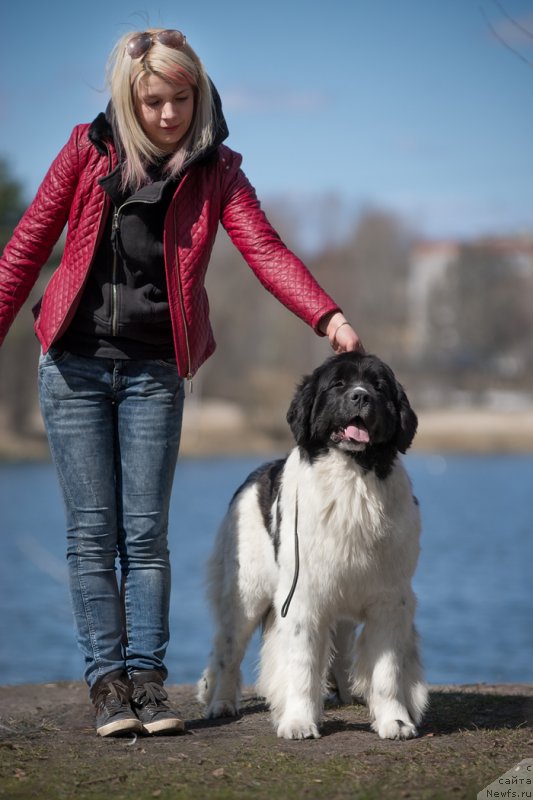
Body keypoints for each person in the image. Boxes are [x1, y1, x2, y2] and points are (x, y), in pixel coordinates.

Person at [0, 28, 363, 737]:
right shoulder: (86, 150)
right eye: (153, 101)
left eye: (182, 98)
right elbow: (26, 246)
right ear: (129, 100)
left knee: (145, 535)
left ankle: (148, 685)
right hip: (72, 365)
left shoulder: (217, 169)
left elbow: (264, 249)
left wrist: (328, 315)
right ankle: (108, 689)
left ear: (199, 96)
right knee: (91, 534)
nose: (169, 114)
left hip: (155, 369)